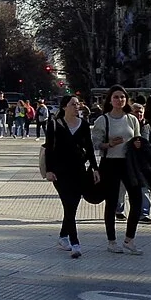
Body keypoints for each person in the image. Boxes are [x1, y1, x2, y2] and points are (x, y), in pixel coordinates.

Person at [90, 85, 146, 255]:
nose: (119, 100)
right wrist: (109, 144)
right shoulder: (103, 120)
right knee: (112, 203)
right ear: (110, 99)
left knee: (137, 200)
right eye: (116, 97)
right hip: (110, 163)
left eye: (122, 97)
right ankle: (111, 241)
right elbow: (95, 143)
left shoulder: (132, 119)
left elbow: (138, 139)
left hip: (129, 164)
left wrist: (138, 144)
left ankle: (130, 239)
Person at [43, 94, 98, 258]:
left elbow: (89, 148)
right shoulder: (54, 124)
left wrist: (95, 168)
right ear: (64, 107)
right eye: (73, 104)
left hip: (79, 170)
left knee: (72, 206)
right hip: (60, 172)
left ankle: (62, 236)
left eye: (78, 104)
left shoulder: (84, 125)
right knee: (69, 204)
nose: (77, 107)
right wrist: (49, 170)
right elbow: (49, 149)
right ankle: (75, 243)